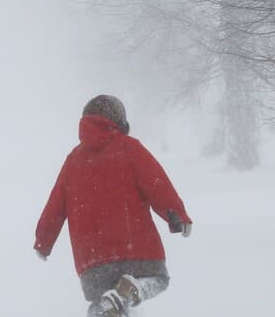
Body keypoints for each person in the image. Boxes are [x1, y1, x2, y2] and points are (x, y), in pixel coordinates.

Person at [34, 95, 192, 317]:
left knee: (107, 304)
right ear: (119, 120)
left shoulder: (73, 160)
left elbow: (55, 205)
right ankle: (129, 292)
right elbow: (156, 183)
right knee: (157, 280)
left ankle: (102, 310)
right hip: (134, 250)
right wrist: (176, 214)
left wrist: (43, 240)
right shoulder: (128, 147)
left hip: (92, 262)